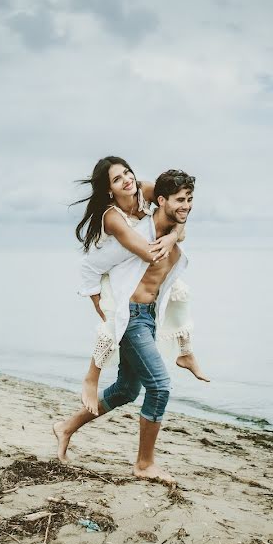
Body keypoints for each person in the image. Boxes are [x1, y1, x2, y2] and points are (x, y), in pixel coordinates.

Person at [53, 165, 197, 484]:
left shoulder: (151, 203)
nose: (185, 205)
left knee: (126, 390)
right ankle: (144, 464)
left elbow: (178, 224)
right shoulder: (118, 222)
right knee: (159, 386)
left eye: (189, 199)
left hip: (148, 315)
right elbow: (138, 254)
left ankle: (65, 427)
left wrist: (173, 234)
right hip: (129, 314)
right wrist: (98, 305)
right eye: (116, 179)